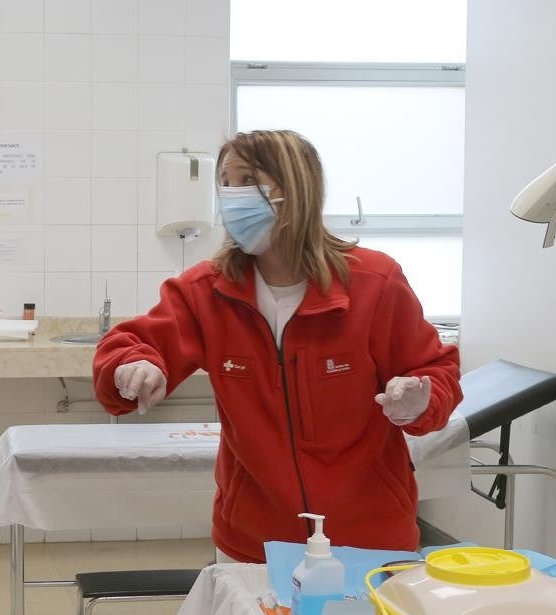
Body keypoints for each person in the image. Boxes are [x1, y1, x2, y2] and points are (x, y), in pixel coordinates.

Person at [93, 130, 461, 563]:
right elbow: (132, 342)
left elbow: (437, 372)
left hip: (369, 537)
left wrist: (420, 399)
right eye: (225, 182)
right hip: (253, 542)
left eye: (246, 179)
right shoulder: (207, 291)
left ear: (295, 188)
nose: (231, 195)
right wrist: (132, 364)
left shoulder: (374, 284)